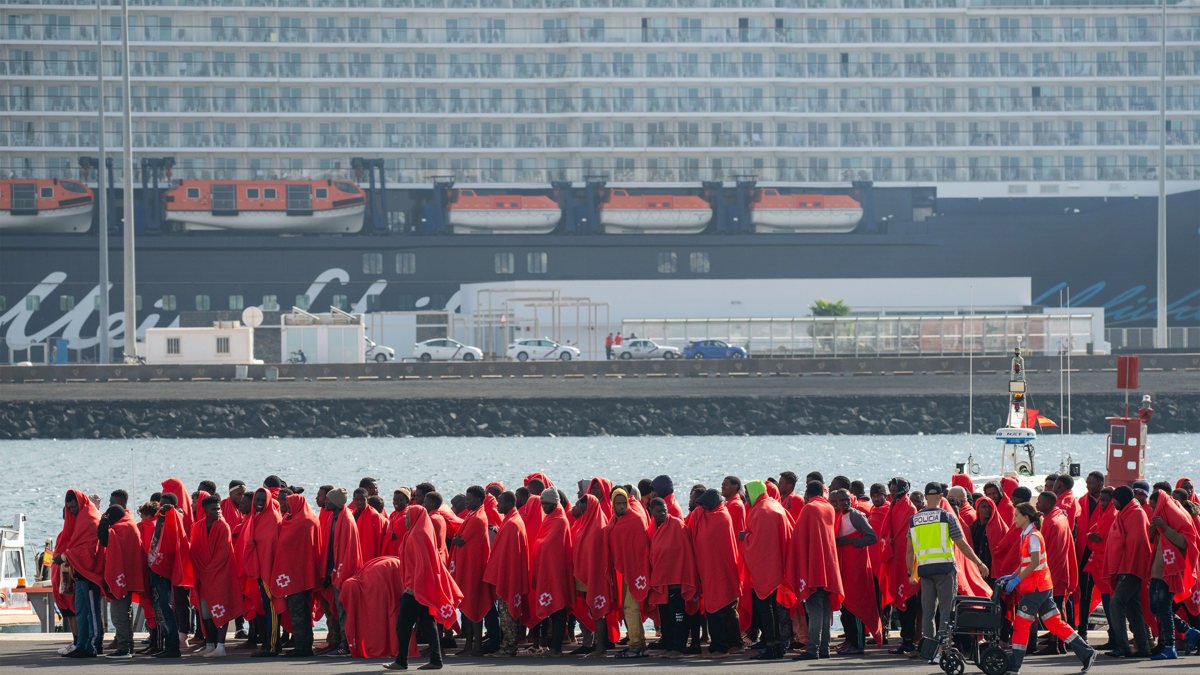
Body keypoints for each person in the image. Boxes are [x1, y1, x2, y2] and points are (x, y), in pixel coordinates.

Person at [997, 502, 1098, 675]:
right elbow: (1026, 562)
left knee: (1021, 625)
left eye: (1016, 515)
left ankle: (1014, 667)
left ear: (1026, 517)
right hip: (1041, 586)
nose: (1014, 518)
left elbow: (1035, 562)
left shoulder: (1033, 537)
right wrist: (1013, 576)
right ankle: (1087, 653)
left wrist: (1017, 579)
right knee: (1054, 623)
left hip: (1035, 588)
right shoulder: (1026, 535)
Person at [907, 482, 989, 657]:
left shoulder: (914, 520)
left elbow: (909, 550)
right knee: (946, 610)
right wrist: (979, 563)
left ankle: (929, 650)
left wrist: (910, 572)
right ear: (940, 497)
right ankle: (944, 648)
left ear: (926, 496)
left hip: (925, 570)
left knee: (928, 611)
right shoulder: (946, 517)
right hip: (945, 569)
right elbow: (962, 544)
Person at [384, 505, 463, 672]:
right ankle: (435, 659)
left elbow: (423, 564)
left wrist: (415, 587)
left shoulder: (417, 535)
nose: (405, 520)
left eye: (407, 517)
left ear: (415, 517)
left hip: (415, 589)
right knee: (428, 624)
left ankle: (402, 660)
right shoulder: (417, 533)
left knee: (403, 626)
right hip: (419, 588)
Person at [786, 480, 843, 661]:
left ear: (807, 493)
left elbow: (798, 538)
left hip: (813, 568)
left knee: (815, 610)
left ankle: (813, 649)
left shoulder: (810, 509)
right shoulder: (829, 508)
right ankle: (824, 648)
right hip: (827, 566)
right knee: (825, 610)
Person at [741, 480, 794, 660]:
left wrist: (745, 537)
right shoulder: (772, 505)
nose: (746, 498)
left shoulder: (762, 511)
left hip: (766, 567)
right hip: (777, 565)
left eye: (748, 494)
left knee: (766, 607)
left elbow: (758, 543)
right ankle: (776, 645)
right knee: (772, 606)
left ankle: (772, 646)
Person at [1147, 489, 1200, 659]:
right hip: (1157, 571)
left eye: (1154, 506)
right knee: (1156, 607)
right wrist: (1154, 528)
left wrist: (1164, 526)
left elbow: (1185, 542)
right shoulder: (1162, 517)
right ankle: (1188, 631)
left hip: (1169, 571)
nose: (1153, 510)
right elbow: (1151, 539)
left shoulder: (1176, 517)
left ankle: (1170, 647)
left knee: (1164, 607)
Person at [691, 488, 742, 657]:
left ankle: (731, 643)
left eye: (705, 506)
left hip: (723, 570)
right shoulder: (704, 514)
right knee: (713, 609)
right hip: (709, 571)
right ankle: (718, 643)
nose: (702, 508)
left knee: (726, 609)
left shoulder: (722, 517)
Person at [55, 490, 105, 658]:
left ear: (80, 502)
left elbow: (89, 548)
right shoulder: (78, 520)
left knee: (92, 611)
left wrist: (64, 556)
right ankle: (81, 643)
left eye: (73, 506)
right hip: (79, 575)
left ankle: (92, 645)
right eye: (68, 508)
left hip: (90, 574)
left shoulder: (90, 519)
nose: (72, 510)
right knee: (81, 611)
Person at [189, 495, 240, 658]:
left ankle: (221, 646)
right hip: (204, 577)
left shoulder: (223, 526)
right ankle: (210, 644)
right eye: (214, 509)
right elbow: (195, 551)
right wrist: (202, 572)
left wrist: (209, 571)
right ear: (205, 510)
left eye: (219, 508)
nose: (218, 511)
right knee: (205, 613)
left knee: (220, 610)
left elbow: (223, 554)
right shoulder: (197, 527)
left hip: (220, 576)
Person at [272, 492, 321, 658]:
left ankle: (302, 647)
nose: (286, 506)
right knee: (302, 612)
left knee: (299, 612)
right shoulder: (307, 519)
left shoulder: (302, 523)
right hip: (303, 574)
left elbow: (288, 544)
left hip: (297, 576)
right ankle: (305, 644)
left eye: (289, 503)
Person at [1105, 485, 1152, 658]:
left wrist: (1129, 568)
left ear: (1121, 498)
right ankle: (1143, 647)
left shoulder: (1136, 513)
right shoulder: (1127, 512)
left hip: (1132, 568)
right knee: (1133, 608)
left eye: (1115, 499)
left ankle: (1122, 646)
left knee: (1116, 603)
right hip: (1126, 567)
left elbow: (1138, 543)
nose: (1113, 502)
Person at [831, 487, 879, 655]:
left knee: (855, 606)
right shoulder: (837, 516)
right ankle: (849, 640)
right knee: (846, 608)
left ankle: (858, 644)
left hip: (856, 568)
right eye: (840, 500)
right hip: (844, 568)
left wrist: (850, 542)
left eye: (846, 500)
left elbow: (872, 537)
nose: (844, 503)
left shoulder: (856, 516)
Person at [483, 491, 530, 658]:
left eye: (500, 502)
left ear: (510, 503)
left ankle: (508, 647)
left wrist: (501, 575)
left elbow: (506, 554)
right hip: (510, 575)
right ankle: (509, 646)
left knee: (507, 613)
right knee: (508, 612)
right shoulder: (512, 520)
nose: (497, 506)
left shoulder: (511, 524)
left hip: (509, 577)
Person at [146, 493, 193, 659]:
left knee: (166, 610)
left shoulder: (171, 519)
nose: (161, 508)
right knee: (164, 610)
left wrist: (163, 516)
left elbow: (161, 538)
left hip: (162, 571)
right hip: (162, 570)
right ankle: (169, 645)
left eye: (165, 505)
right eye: (161, 505)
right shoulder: (172, 518)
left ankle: (172, 647)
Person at [449, 485, 493, 656]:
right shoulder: (473, 515)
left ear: (480, 500)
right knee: (469, 609)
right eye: (466, 498)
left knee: (475, 609)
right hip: (470, 568)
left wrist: (457, 540)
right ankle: (469, 645)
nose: (467, 501)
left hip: (473, 570)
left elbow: (460, 540)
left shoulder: (477, 518)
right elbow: (458, 539)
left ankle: (475, 646)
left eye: (470, 499)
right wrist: (457, 539)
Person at [607, 488, 651, 659]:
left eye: (623, 503)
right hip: (626, 571)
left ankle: (636, 644)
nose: (621, 506)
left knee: (630, 607)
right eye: (617, 504)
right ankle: (639, 642)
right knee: (629, 607)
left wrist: (635, 569)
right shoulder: (616, 520)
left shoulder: (634, 519)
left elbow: (640, 548)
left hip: (636, 570)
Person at [1033, 490, 1078, 655]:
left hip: (1053, 573)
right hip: (1059, 572)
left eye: (1040, 501)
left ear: (1049, 503)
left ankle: (1057, 643)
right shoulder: (1059, 518)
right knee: (1058, 609)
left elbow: (1049, 552)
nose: (1037, 504)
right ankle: (1059, 643)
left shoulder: (1052, 521)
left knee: (1054, 610)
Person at [572, 494, 617, 658]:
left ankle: (601, 646)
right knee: (591, 610)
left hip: (596, 577)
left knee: (598, 611)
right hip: (584, 576)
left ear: (589, 506)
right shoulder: (585, 523)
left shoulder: (599, 527)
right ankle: (594, 643)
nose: (580, 507)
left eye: (582, 505)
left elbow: (600, 556)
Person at [99, 503, 145, 659]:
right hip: (129, 578)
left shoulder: (121, 529)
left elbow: (105, 540)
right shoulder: (129, 524)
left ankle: (124, 648)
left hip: (122, 579)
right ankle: (129, 647)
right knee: (126, 615)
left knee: (119, 616)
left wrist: (103, 524)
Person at [530, 488, 572, 657]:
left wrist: (538, 544)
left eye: (546, 504)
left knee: (559, 610)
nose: (543, 507)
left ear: (554, 504)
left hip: (556, 572)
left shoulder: (560, 520)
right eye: (541, 504)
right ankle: (553, 647)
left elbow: (548, 545)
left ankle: (557, 648)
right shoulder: (551, 518)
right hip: (549, 571)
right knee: (554, 611)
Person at [321, 487, 362, 657]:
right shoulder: (334, 517)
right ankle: (341, 643)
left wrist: (340, 574)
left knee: (344, 611)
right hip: (334, 572)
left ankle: (346, 646)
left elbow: (349, 552)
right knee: (338, 610)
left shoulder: (346, 520)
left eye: (329, 500)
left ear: (336, 503)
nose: (325, 503)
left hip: (343, 573)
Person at [353, 488, 387, 562]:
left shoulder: (374, 516)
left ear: (367, 500)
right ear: (353, 500)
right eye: (357, 500)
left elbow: (378, 541)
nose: (359, 502)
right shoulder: (352, 515)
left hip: (369, 556)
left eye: (362, 500)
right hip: (355, 553)